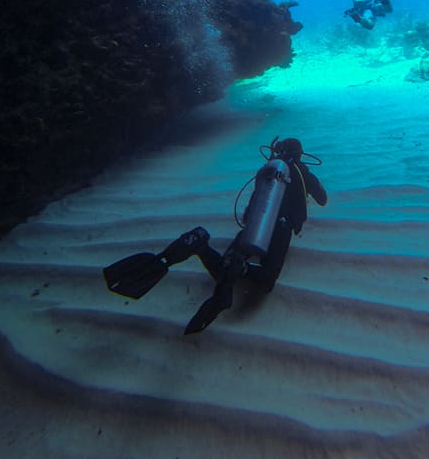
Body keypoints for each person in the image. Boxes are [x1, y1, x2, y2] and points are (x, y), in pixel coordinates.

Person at [103, 137, 327, 334]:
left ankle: (199, 244)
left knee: (224, 268)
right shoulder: (302, 173)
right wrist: (306, 180)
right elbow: (323, 199)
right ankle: (243, 269)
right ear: (300, 155)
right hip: (281, 229)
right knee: (267, 281)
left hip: (253, 227)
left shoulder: (268, 173)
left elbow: (249, 212)